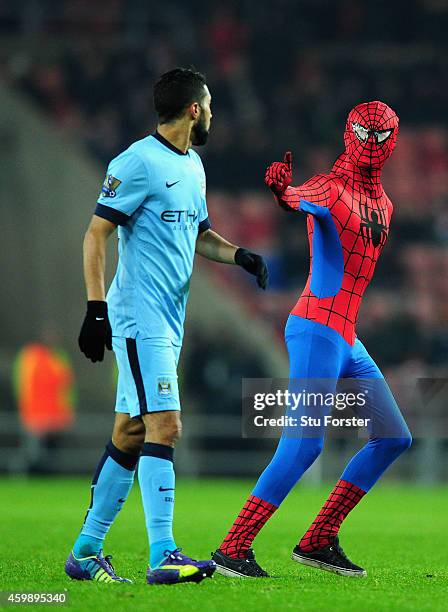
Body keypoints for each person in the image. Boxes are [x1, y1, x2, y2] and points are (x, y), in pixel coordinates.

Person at [65, 68, 268, 586]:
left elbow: (199, 235)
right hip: (139, 317)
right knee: (166, 426)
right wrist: (96, 309)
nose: (214, 115)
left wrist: (239, 255)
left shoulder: (192, 166)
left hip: (170, 320)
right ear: (194, 110)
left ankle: (86, 552)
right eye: (210, 105)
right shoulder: (136, 162)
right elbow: (95, 235)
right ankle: (164, 554)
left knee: (130, 432)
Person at [213, 101, 412, 578]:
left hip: (345, 336)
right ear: (349, 133)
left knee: (393, 437)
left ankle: (319, 539)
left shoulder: (385, 205)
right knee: (304, 445)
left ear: (394, 140)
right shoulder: (329, 185)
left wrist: (287, 192)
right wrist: (282, 190)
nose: (371, 143)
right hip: (317, 328)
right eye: (365, 132)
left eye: (381, 136)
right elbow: (298, 198)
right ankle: (232, 548)